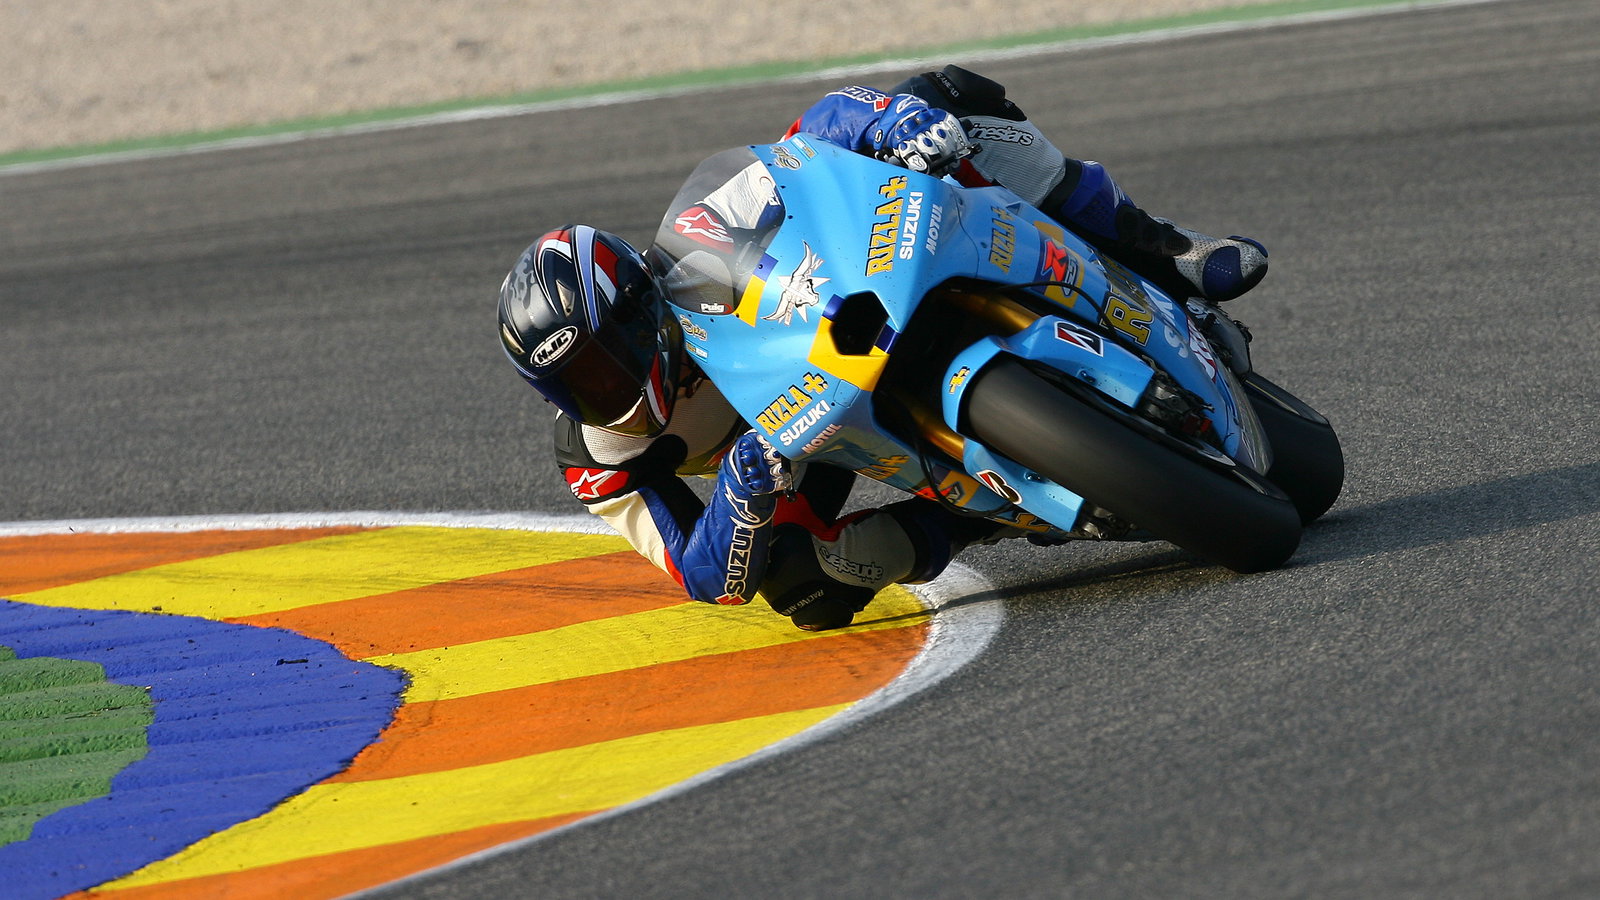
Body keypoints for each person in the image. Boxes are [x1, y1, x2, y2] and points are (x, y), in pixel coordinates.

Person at [497, 66, 1269, 631]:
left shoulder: (698, 245)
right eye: (577, 386)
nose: (607, 391)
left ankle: (1161, 250)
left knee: (946, 97)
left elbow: (809, 139)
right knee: (808, 591)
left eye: (602, 361)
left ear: (640, 311)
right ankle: (995, 512)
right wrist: (740, 497)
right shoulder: (597, 455)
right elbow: (702, 575)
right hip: (800, 445)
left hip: (844, 318)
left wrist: (890, 126)